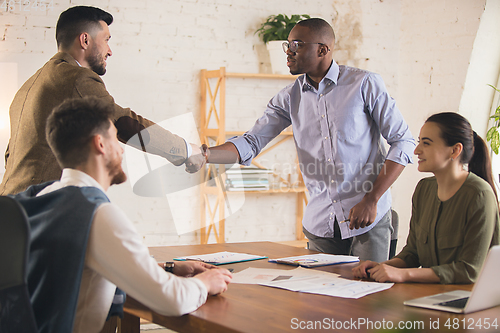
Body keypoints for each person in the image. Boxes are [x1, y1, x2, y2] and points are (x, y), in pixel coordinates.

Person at [200, 18, 415, 262]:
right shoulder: (288, 98)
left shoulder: (364, 84)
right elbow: (251, 143)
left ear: (323, 49)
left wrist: (372, 199)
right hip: (321, 224)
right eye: (288, 45)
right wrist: (205, 155)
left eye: (297, 44)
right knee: (318, 297)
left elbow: (403, 141)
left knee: (367, 295)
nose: (289, 52)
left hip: (367, 218)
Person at [11, 96, 232, 333]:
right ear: (101, 144)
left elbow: (84, 264)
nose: (122, 150)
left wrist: (169, 268)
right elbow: (171, 299)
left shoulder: (43, 197)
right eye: (116, 138)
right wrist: (205, 283)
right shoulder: (96, 215)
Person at [0, 5, 205, 196]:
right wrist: (185, 150)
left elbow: (11, 155)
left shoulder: (28, 86)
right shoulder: (76, 78)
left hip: (11, 207)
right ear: (85, 40)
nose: (110, 50)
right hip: (37, 212)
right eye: (106, 39)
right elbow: (124, 122)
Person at [353, 112, 500, 284]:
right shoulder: (424, 189)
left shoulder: (480, 195)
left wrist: (404, 275)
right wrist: (380, 267)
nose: (417, 150)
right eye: (419, 142)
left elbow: (468, 271)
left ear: (455, 150)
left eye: (426, 143)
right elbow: (413, 254)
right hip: (427, 296)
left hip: (465, 302)